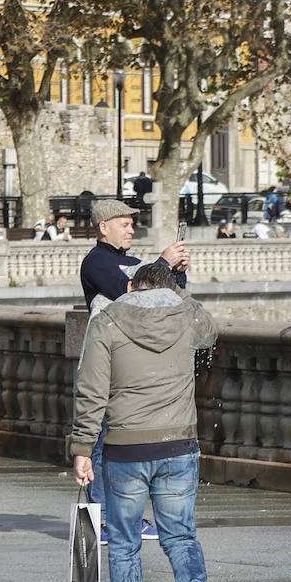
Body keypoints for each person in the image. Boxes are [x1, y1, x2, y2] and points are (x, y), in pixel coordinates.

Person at [69, 261, 221, 582]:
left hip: (125, 448)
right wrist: (180, 293)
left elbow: (91, 390)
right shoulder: (186, 315)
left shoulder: (107, 320)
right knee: (180, 536)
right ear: (170, 288)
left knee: (123, 542)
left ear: (133, 285)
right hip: (178, 445)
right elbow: (211, 331)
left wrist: (82, 448)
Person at [79, 198, 191, 544]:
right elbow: (130, 294)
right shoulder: (96, 261)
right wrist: (162, 262)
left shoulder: (131, 261)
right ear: (104, 227)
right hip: (110, 360)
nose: (131, 229)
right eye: (125, 224)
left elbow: (164, 298)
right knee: (101, 442)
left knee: (129, 443)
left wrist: (177, 272)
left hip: (135, 361)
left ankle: (123, 515)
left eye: (131, 224)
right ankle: (105, 519)